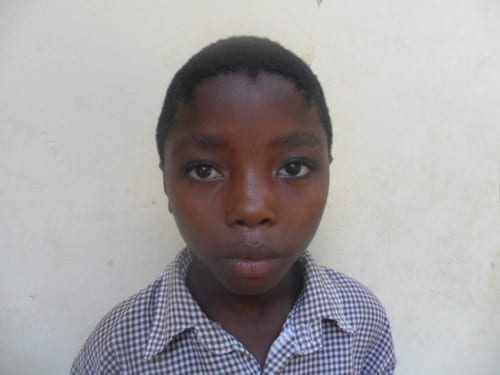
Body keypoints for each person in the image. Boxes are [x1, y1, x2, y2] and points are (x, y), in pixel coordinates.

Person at [72, 36, 396, 374]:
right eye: (204, 170)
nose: (251, 209)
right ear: (166, 184)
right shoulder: (119, 350)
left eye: (293, 168)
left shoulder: (362, 322)